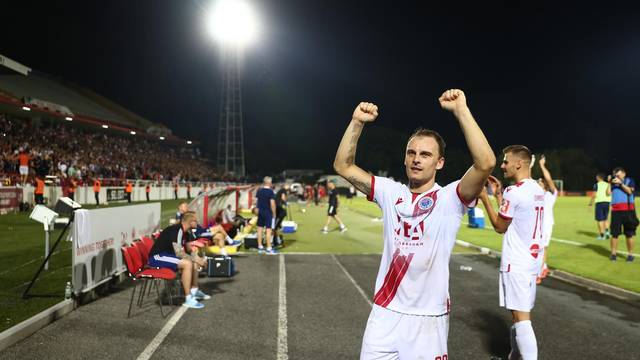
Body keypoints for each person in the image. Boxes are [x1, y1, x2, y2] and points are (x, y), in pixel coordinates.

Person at [334, 90, 495, 359]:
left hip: (428, 320)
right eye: (411, 153)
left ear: (439, 162)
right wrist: (357, 122)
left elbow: (486, 162)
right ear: (405, 158)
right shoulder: (390, 192)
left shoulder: (450, 198)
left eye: (425, 154)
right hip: (385, 314)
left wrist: (461, 111)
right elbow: (343, 166)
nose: (416, 159)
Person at [480, 145, 544, 360]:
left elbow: (500, 226)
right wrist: (499, 195)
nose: (503, 165)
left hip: (516, 263)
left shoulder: (514, 192)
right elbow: (515, 217)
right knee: (519, 315)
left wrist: (485, 198)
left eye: (506, 161)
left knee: (521, 317)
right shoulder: (536, 189)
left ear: (519, 163)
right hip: (531, 261)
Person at [147, 211, 210, 309]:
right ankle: (188, 299)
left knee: (193, 262)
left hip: (167, 256)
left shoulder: (187, 232)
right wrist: (198, 260)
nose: (197, 224)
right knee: (188, 264)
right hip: (157, 257)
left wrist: (199, 260)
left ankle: (194, 290)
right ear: (190, 222)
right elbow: (179, 253)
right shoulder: (177, 230)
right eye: (196, 221)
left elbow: (189, 250)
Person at [536, 155, 557, 284]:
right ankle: (543, 267)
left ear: (544, 185)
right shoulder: (536, 195)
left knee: (542, 247)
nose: (538, 182)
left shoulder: (551, 194)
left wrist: (542, 165)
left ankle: (539, 273)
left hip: (546, 225)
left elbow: (548, 179)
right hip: (536, 225)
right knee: (536, 247)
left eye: (539, 181)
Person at [609, 167, 636, 262]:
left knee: (629, 234)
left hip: (628, 211)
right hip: (616, 211)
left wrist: (621, 184)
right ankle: (613, 254)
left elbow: (630, 191)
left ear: (624, 174)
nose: (616, 177)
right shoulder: (613, 183)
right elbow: (608, 193)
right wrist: (609, 183)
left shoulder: (629, 180)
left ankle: (630, 254)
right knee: (614, 234)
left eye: (618, 175)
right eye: (615, 175)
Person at [256, 176, 277, 254]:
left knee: (259, 229)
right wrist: (274, 213)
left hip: (260, 212)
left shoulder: (259, 190)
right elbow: (272, 204)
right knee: (268, 230)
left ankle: (260, 246)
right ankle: (268, 247)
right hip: (268, 213)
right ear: (269, 183)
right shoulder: (270, 192)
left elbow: (257, 202)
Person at [588, 173, 611, 240]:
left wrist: (590, 204)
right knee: (605, 218)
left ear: (598, 177)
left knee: (600, 220)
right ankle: (607, 233)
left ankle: (602, 235)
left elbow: (594, 195)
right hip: (607, 203)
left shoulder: (596, 185)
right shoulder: (607, 184)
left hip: (599, 203)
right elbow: (609, 193)